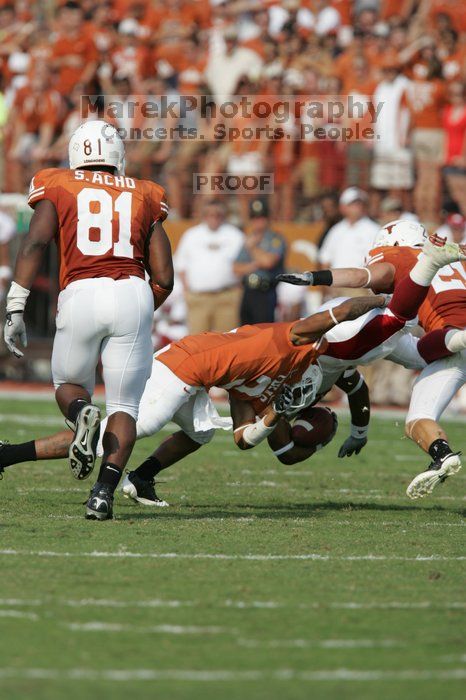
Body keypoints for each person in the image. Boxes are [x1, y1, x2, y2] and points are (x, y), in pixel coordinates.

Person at [3, 235, 464, 505]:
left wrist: (271, 417)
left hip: (204, 377)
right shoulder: (298, 345)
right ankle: (14, 456)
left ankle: (140, 478)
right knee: (119, 432)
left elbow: (244, 440)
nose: (307, 395)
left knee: (201, 433)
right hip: (183, 367)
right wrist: (375, 297)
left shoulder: (286, 385)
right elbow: (338, 322)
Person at [3, 120, 174, 521]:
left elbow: (36, 241)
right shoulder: (147, 193)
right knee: (124, 407)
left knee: (69, 386)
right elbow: (163, 276)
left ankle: (81, 413)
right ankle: (102, 494)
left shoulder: (58, 182)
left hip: (81, 290)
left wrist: (16, 304)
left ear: (78, 152)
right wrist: (140, 307)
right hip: (133, 290)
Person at [278, 220, 466, 499]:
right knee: (420, 353)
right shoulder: (460, 253)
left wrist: (314, 277)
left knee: (419, 418)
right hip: (441, 344)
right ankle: (442, 455)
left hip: (450, 343)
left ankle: (443, 452)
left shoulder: (402, 256)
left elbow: (362, 276)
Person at [175, 199, 244, 334]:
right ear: (204, 216)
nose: (214, 218)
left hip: (227, 297)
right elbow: (181, 264)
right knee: (196, 343)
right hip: (199, 297)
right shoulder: (192, 235)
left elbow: (245, 262)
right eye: (210, 214)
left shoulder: (235, 235)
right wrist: (187, 290)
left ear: (224, 215)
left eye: (218, 214)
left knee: (227, 343)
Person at [233, 198, 286, 324]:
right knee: (244, 333)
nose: (258, 222)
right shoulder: (250, 238)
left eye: (261, 217)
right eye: (254, 218)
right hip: (248, 290)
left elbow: (268, 262)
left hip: (266, 291)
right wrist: (256, 263)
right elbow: (236, 268)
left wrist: (252, 248)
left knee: (264, 332)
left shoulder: (275, 239)